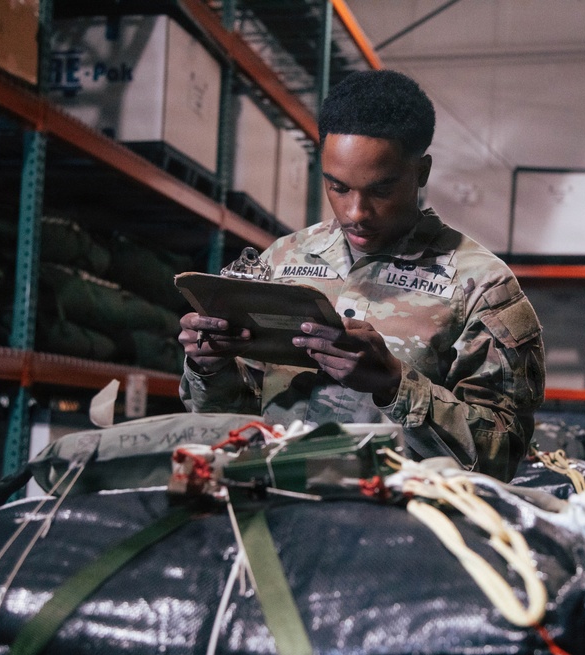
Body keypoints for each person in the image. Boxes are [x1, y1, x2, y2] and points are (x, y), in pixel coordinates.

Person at [178, 69, 545, 482]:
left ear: (421, 172)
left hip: (401, 515)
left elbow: (504, 455)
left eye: (381, 190)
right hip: (275, 501)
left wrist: (394, 385)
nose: (356, 213)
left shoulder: (482, 287)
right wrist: (210, 367)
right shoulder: (280, 260)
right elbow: (235, 424)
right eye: (338, 187)